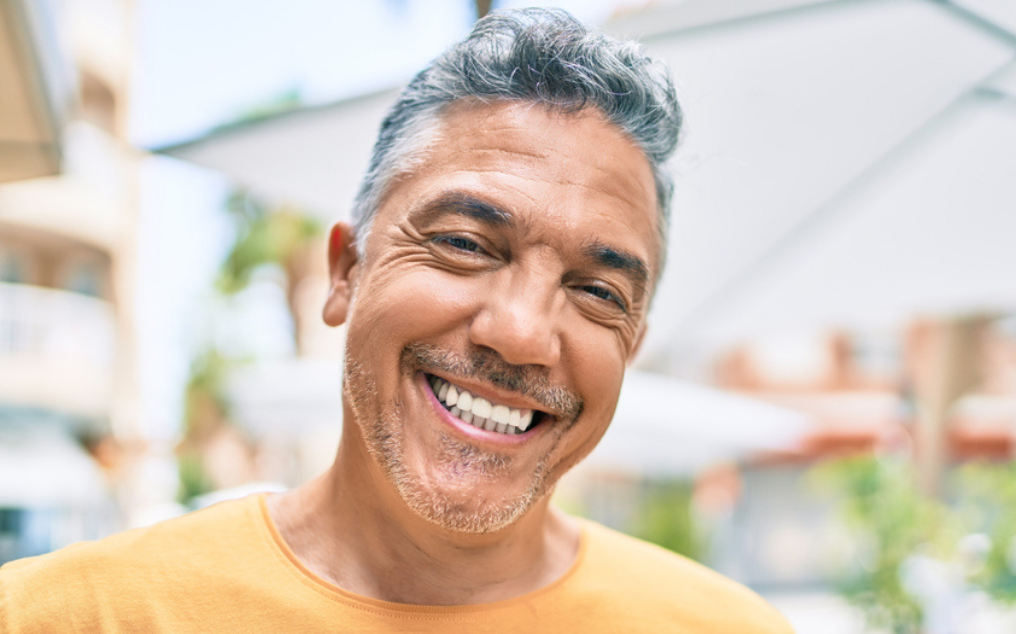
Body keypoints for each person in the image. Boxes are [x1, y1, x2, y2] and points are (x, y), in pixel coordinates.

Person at [0, 8, 792, 633]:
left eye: (597, 292)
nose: (520, 332)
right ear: (347, 270)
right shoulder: (65, 617)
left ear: (634, 345)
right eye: (464, 243)